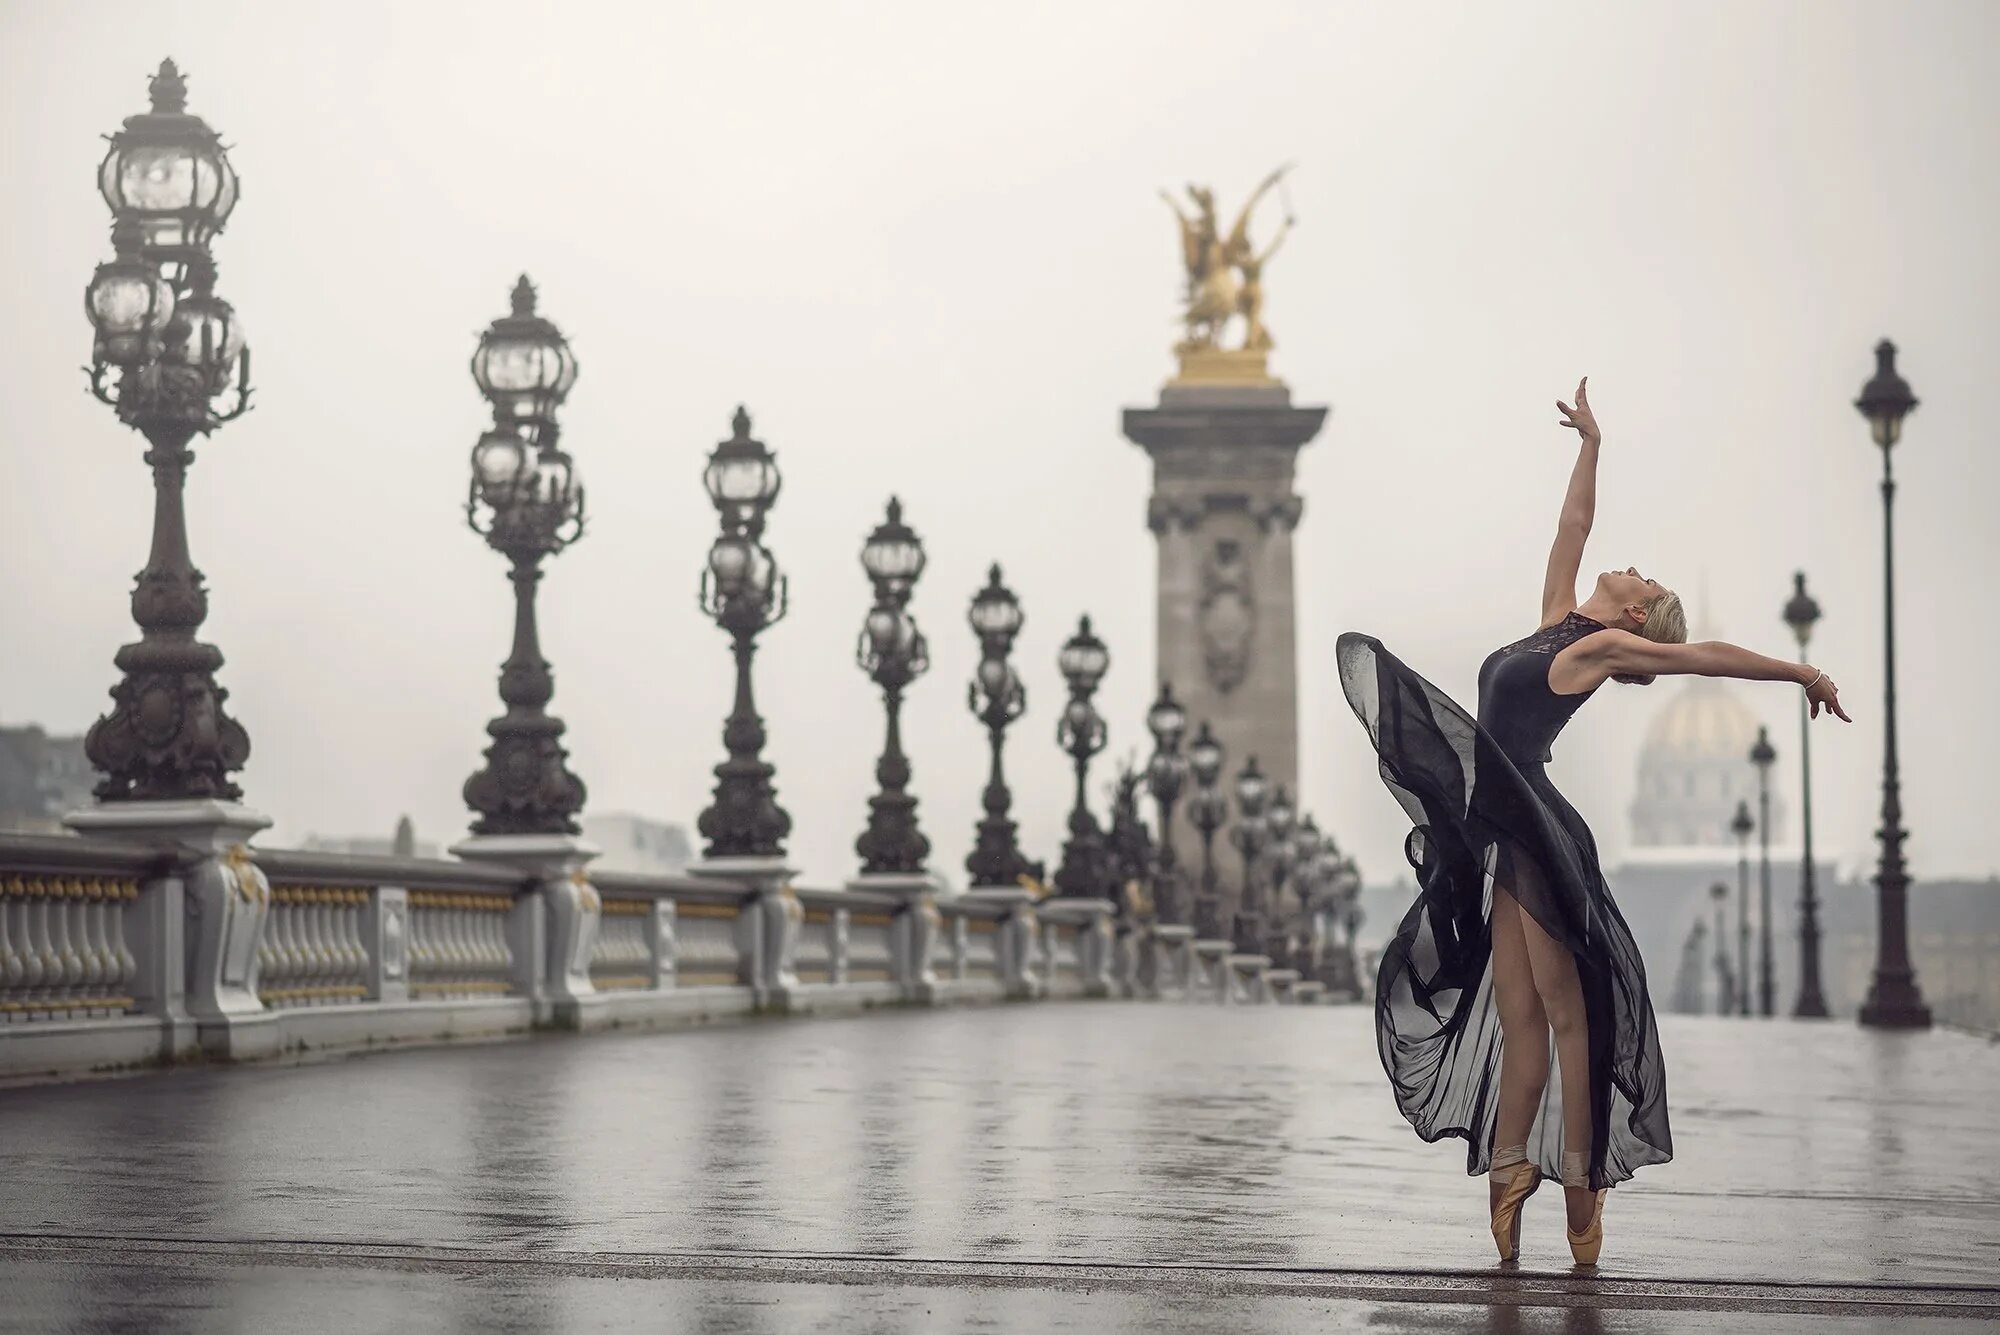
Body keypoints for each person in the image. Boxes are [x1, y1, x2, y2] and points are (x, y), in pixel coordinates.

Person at [1334, 378, 1850, 1267]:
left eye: (1644, 580)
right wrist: (1591, 445)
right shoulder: (1558, 625)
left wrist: (1797, 670)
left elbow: (1701, 656)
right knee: (1523, 1014)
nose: (1632, 566)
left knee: (1566, 1015)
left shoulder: (1601, 647)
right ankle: (1511, 1170)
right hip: (1503, 829)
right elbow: (1570, 528)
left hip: (1534, 826)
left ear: (1636, 613)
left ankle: (1579, 1185)